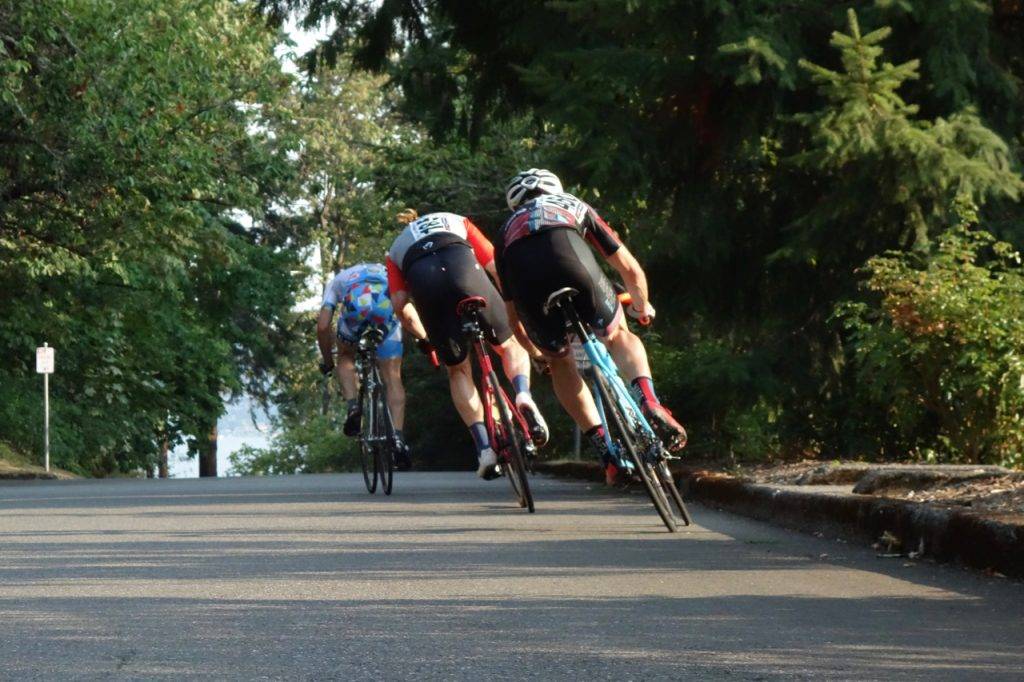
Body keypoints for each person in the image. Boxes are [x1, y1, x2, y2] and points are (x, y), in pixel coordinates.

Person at [496, 169, 687, 485]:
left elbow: (511, 313)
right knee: (618, 334)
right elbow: (628, 267)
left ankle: (605, 449)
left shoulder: (504, 232)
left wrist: (536, 352)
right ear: (554, 188)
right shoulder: (571, 203)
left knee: (560, 362)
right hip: (575, 266)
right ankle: (649, 399)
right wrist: (642, 306)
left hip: (531, 290)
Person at [385, 208, 548, 478]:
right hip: (466, 272)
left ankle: (484, 448)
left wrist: (426, 337)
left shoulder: (395, 249)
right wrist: (511, 306)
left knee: (458, 370)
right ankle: (522, 395)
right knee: (510, 346)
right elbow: (495, 265)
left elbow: (400, 305)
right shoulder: (456, 220)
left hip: (428, 286)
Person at [316, 262, 412, 471]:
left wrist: (328, 361)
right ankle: (397, 438)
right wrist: (426, 341)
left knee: (346, 358)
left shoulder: (338, 280)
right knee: (393, 377)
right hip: (386, 310)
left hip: (354, 310)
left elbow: (323, 326)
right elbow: (408, 312)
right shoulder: (389, 273)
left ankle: (353, 407)